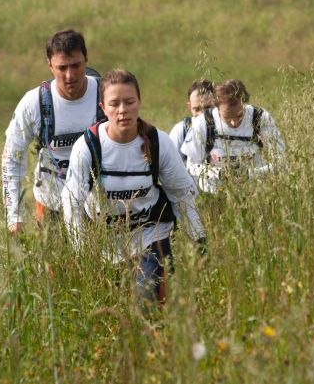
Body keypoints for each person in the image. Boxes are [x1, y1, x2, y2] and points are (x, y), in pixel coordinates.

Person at [61, 69, 206, 304]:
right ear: (103, 107)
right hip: (104, 244)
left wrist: (198, 239)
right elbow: (72, 204)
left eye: (129, 102)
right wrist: (83, 255)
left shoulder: (159, 142)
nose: (122, 110)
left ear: (139, 102)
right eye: (114, 103)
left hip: (151, 234)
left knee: (146, 301)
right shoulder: (88, 146)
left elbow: (181, 194)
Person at [1, 29, 106, 233]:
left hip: (99, 205)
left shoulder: (106, 95)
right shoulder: (34, 103)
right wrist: (15, 215)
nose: (70, 75)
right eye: (61, 67)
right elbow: (12, 157)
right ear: (50, 65)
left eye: (76, 65)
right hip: (52, 204)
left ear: (86, 59)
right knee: (55, 265)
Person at [180, 79, 285, 194]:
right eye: (227, 118)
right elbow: (191, 166)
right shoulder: (203, 123)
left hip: (254, 194)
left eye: (239, 116)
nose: (234, 123)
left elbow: (281, 162)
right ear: (217, 108)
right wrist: (218, 173)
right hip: (214, 193)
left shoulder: (260, 118)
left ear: (244, 104)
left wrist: (250, 174)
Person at [168, 79, 215, 161]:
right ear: (189, 107)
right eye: (197, 109)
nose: (202, 115)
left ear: (217, 104)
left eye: (207, 108)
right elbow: (170, 167)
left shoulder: (227, 130)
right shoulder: (180, 131)